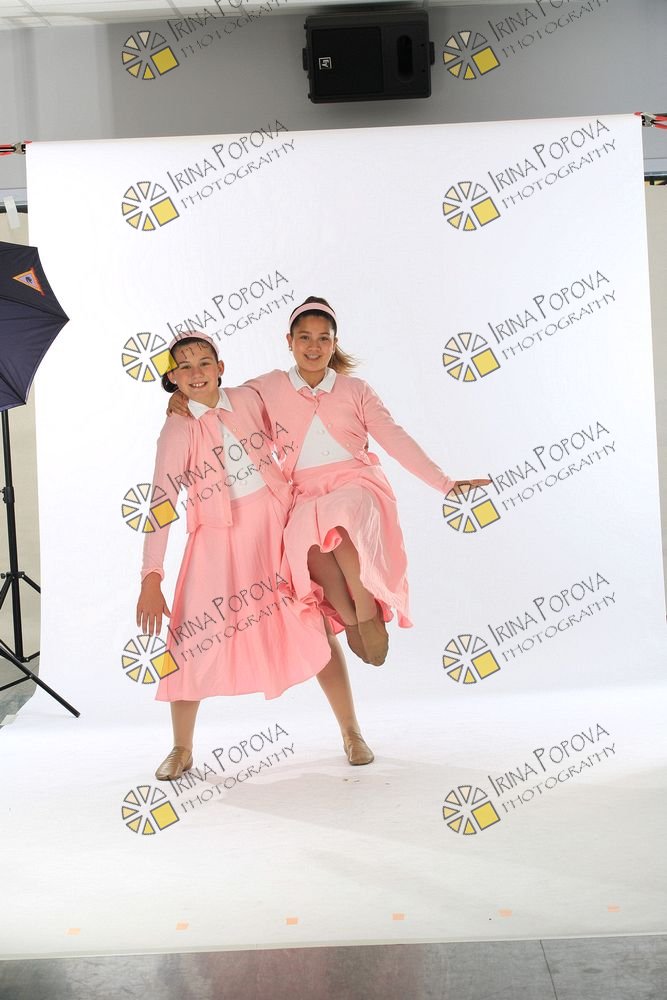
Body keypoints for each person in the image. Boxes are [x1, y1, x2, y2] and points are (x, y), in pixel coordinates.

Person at [167, 299, 490, 669]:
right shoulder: (269, 387)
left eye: (324, 338)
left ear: (335, 344)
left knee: (340, 514)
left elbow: (395, 438)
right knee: (300, 537)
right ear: (289, 341)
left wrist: (444, 483)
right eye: (305, 337)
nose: (314, 346)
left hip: (357, 482)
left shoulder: (356, 390)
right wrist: (181, 395)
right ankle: (349, 617)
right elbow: (218, 397)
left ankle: (367, 610)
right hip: (304, 491)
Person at [137, 331, 376, 782]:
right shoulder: (177, 428)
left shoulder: (249, 398)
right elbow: (162, 501)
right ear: (172, 378)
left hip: (274, 529)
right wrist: (152, 575)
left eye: (204, 363)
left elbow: (296, 404)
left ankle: (351, 731)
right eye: (184, 367)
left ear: (221, 368)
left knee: (312, 624)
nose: (196, 373)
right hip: (215, 544)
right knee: (189, 639)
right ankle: (182, 747)